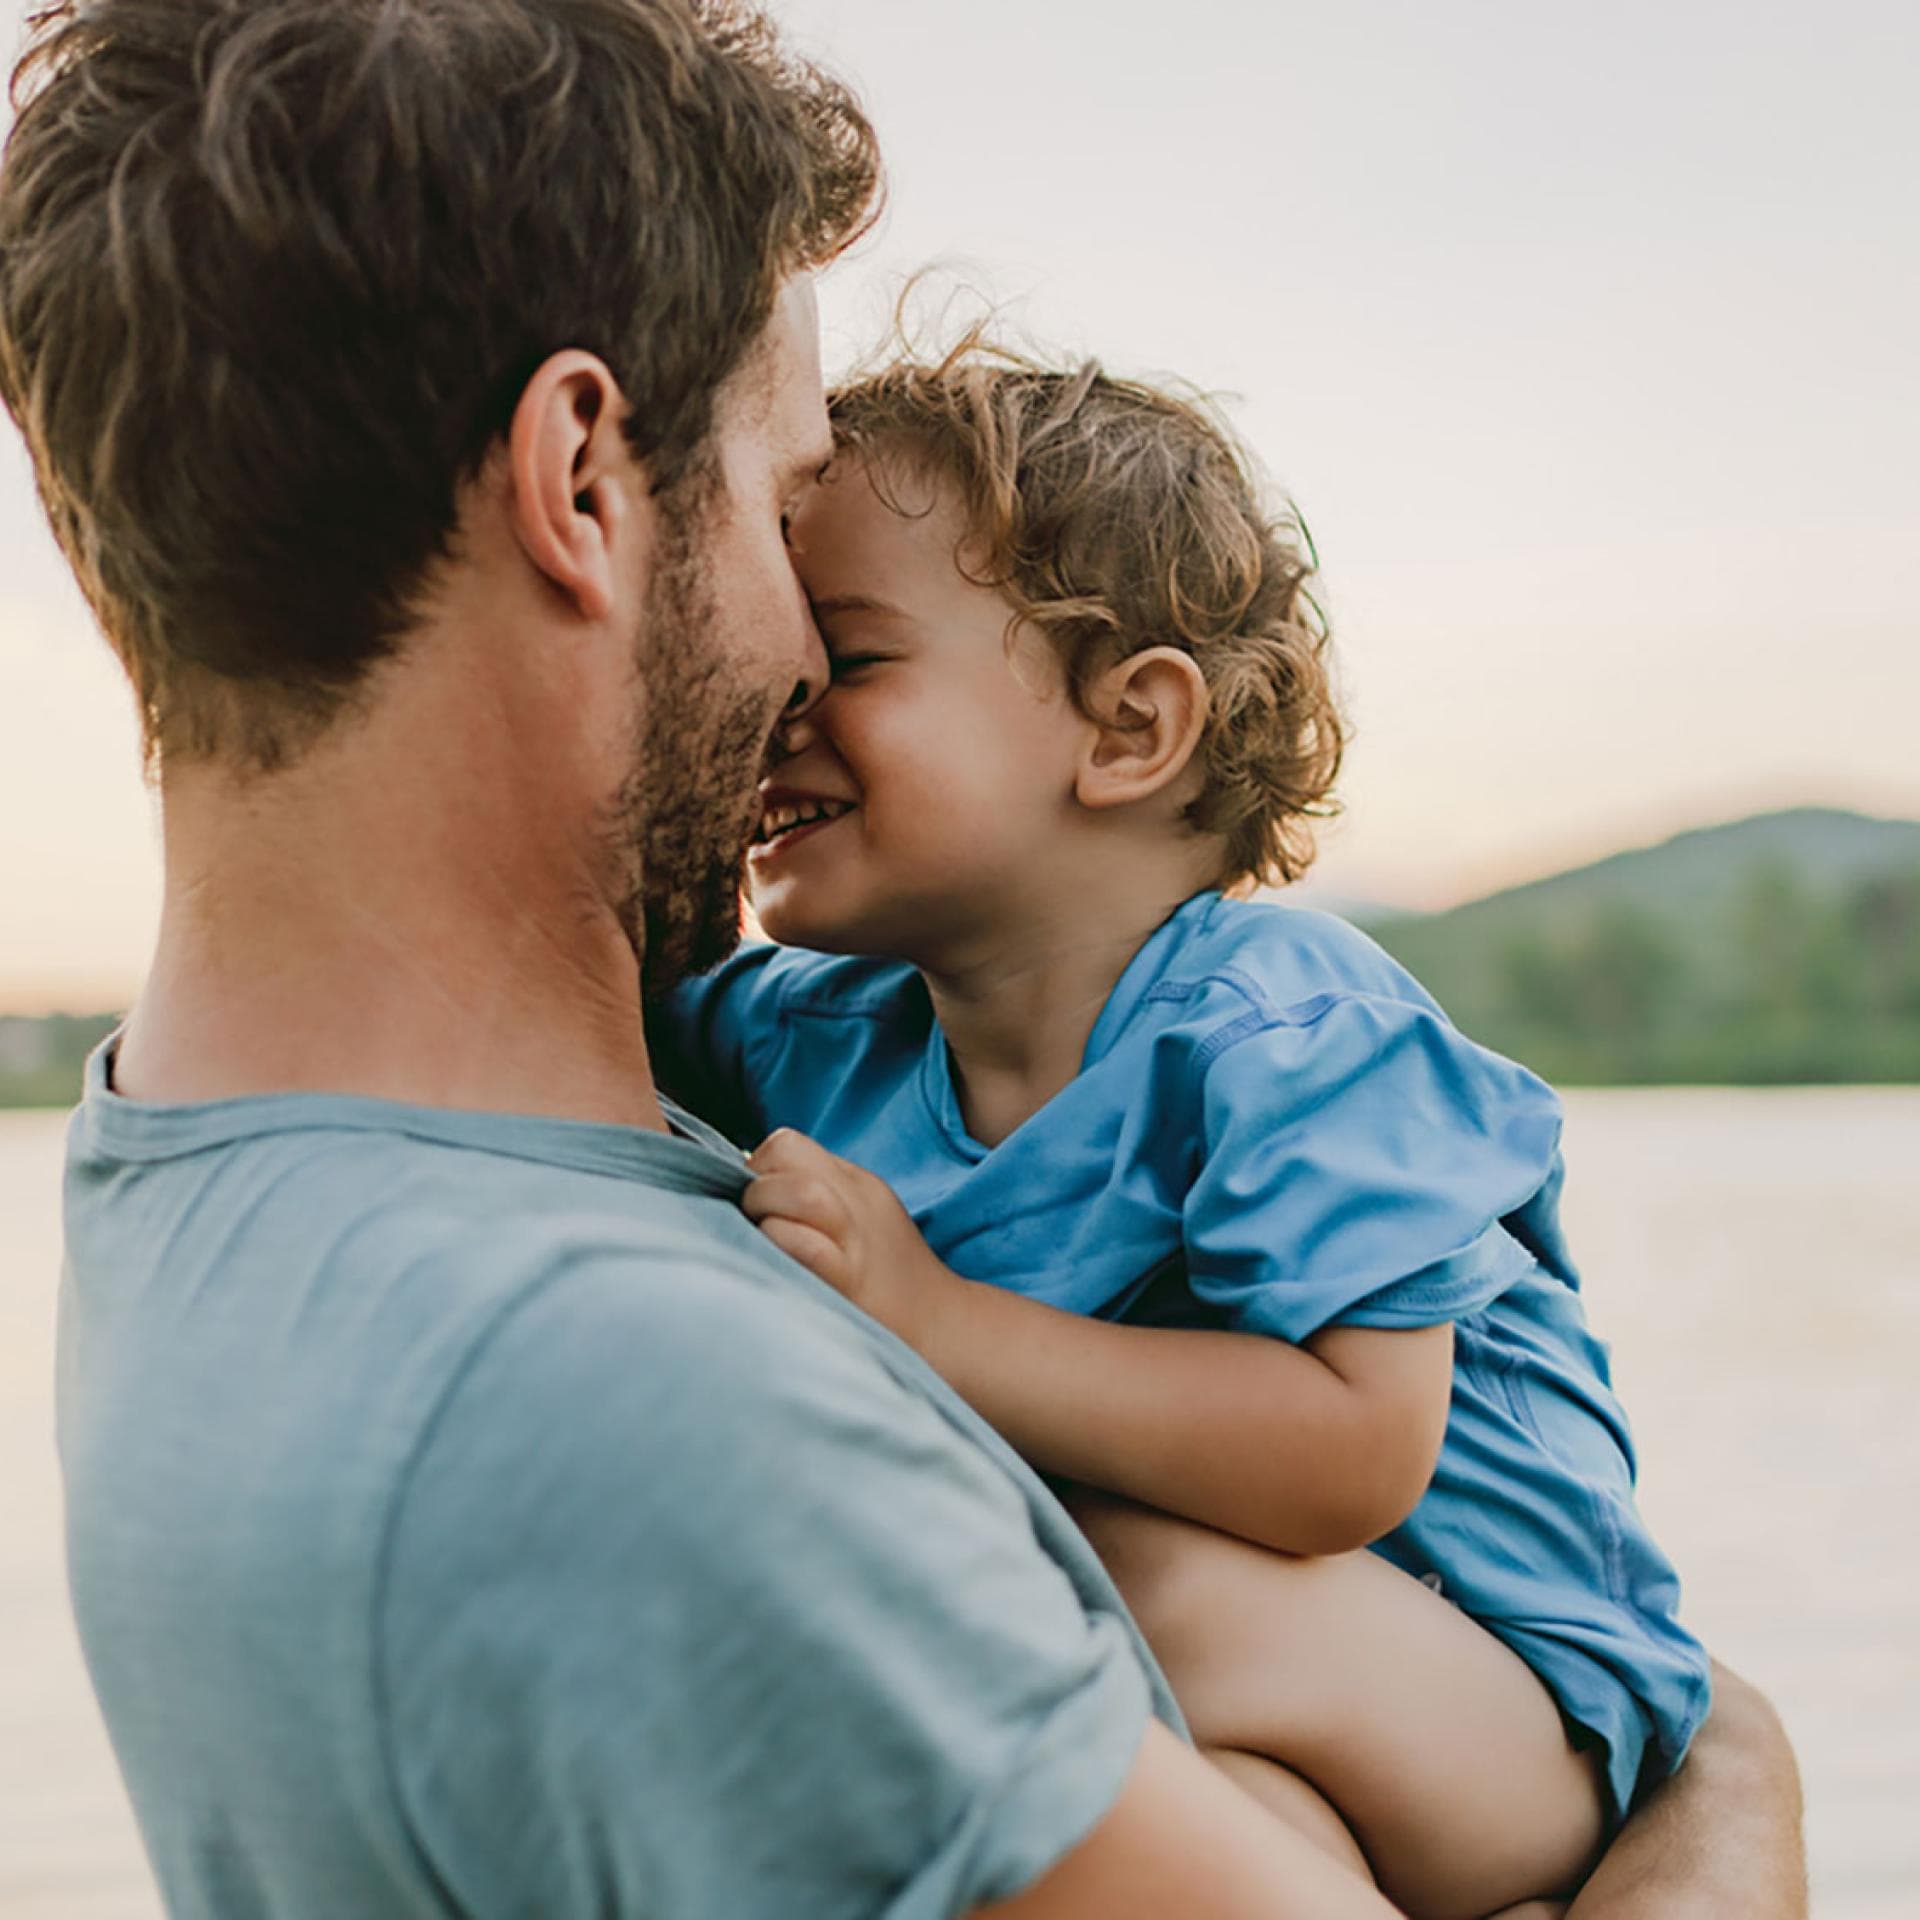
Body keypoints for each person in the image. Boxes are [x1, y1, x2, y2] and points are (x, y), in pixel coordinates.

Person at [0, 1, 1803, 1916]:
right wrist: (1736, 1794)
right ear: (582, 482)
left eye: (852, 632)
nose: (797, 668)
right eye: (782, 509)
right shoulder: (636, 1391)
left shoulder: (203, 1169)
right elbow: (1691, 1746)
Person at [652, 339, 1762, 1916]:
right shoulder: (809, 1035)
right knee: (1199, 1828)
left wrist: (938, 1322)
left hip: (1520, 1711)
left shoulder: (1286, 1031)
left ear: (1128, 729)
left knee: (1088, 1585)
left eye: (851, 656)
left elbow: (1355, 1455)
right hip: (1252, 1723)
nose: (780, 704)